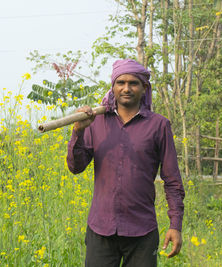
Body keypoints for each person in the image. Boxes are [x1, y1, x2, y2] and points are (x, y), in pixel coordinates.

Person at [66, 59, 185, 267]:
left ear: (144, 88)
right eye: (120, 82)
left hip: (142, 231)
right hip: (100, 229)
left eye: (133, 83)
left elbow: (172, 180)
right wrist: (78, 130)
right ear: (113, 87)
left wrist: (175, 225)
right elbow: (76, 167)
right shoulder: (96, 122)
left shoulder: (159, 125)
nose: (126, 88)